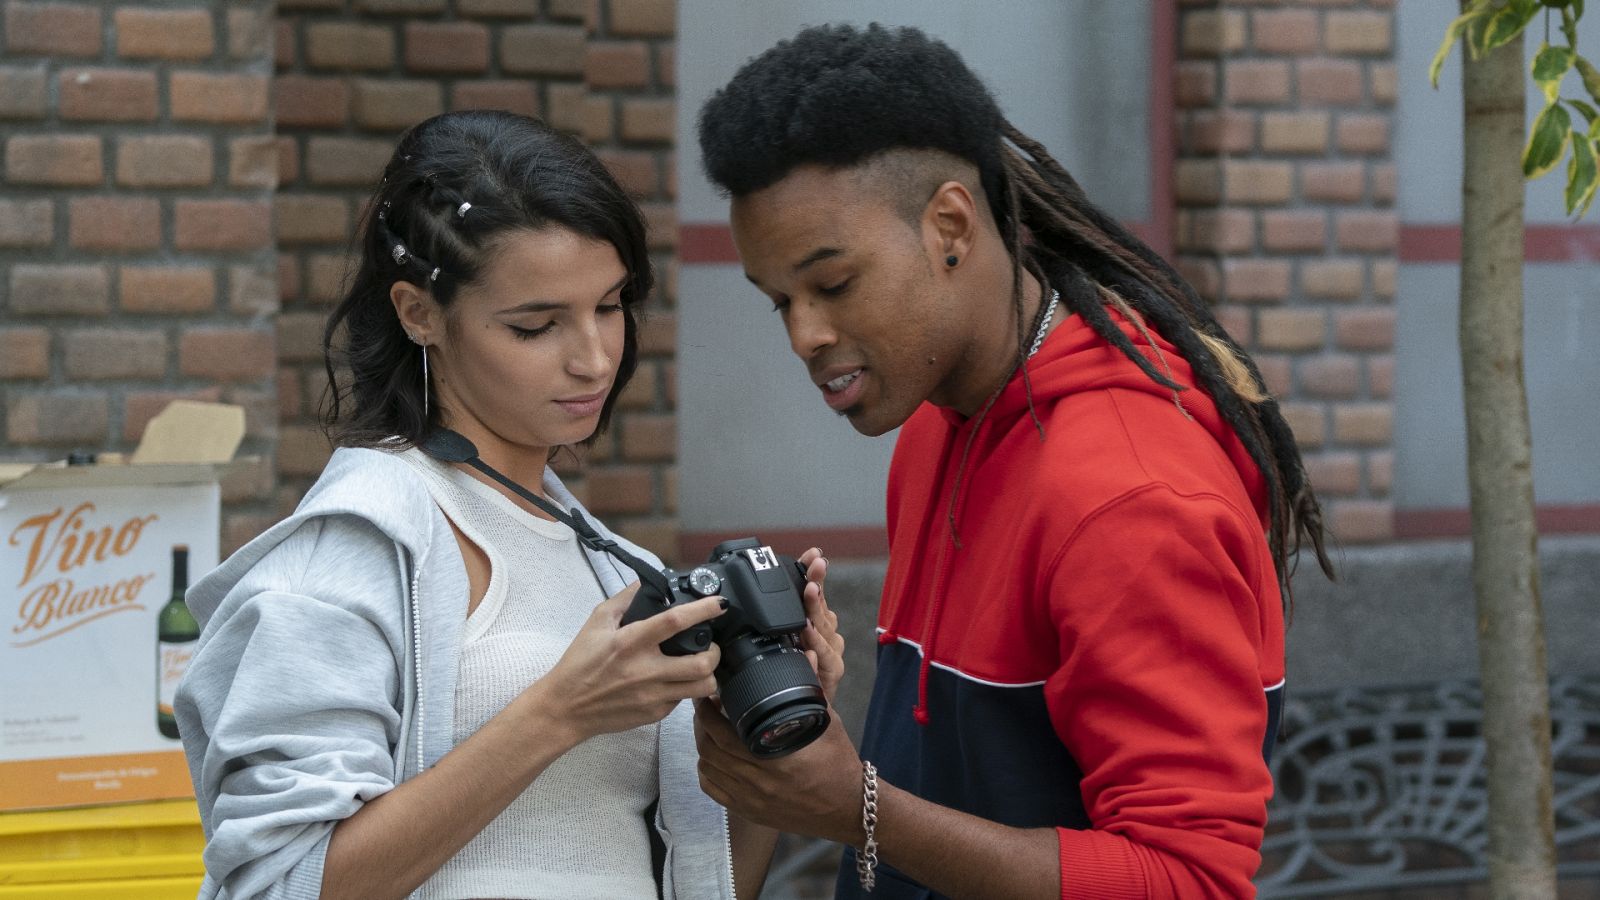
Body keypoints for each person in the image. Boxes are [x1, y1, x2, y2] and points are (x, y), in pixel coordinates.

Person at [691, 24, 1335, 899]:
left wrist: (856, 808)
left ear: (950, 224)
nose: (805, 335)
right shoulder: (935, 426)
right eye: (780, 303)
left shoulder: (1130, 498)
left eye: (833, 285)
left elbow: (1190, 880)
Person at [174, 110, 843, 900]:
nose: (593, 357)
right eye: (536, 326)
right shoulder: (356, 547)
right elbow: (279, 884)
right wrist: (558, 714)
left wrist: (763, 738)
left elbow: (710, 884)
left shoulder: (600, 558)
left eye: (609, 305)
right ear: (418, 312)